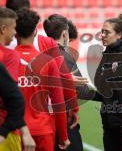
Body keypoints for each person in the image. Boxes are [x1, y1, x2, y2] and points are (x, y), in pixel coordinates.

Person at [15, 8, 70, 151]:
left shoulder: (5, 61)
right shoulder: (48, 61)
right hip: (43, 130)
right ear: (35, 32)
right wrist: (63, 135)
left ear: (15, 32)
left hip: (15, 132)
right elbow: (58, 101)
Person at [0, 7, 35, 151]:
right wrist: (24, 131)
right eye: (13, 28)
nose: (15, 33)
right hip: (5, 131)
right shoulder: (9, 55)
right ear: (3, 28)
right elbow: (11, 98)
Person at [44, 14, 93, 151]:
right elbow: (82, 90)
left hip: (45, 122)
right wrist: (106, 96)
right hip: (64, 121)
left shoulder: (40, 56)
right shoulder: (64, 56)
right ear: (64, 34)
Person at [93, 18, 122, 151]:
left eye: (107, 32)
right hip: (110, 122)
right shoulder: (109, 52)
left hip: (121, 124)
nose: (103, 35)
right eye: (102, 32)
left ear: (119, 34)